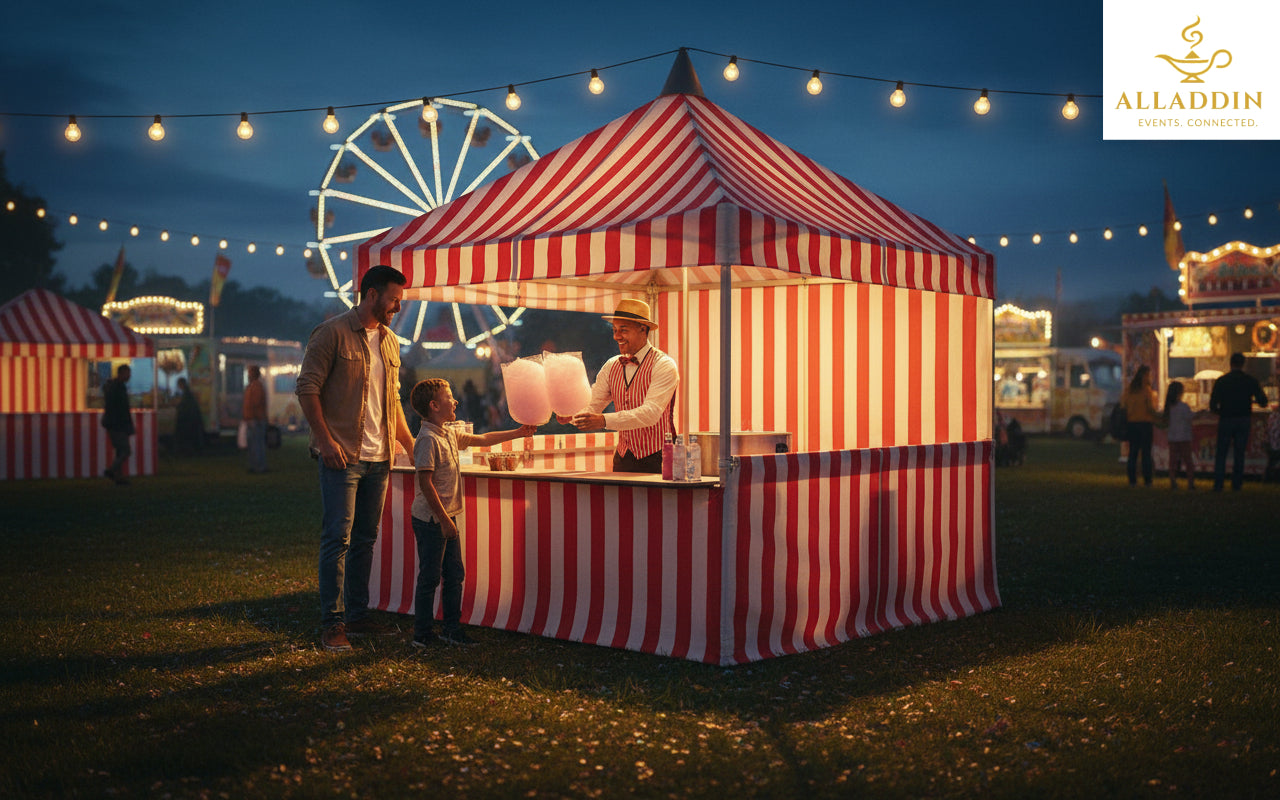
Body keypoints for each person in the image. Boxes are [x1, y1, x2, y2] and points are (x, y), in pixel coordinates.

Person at [297, 264, 416, 652]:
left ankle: (358, 615)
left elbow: (393, 399)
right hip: (342, 456)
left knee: (366, 539)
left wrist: (412, 445)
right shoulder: (330, 333)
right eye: (393, 299)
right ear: (370, 295)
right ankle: (332, 623)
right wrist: (325, 440)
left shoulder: (390, 342)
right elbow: (307, 389)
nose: (397, 307)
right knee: (338, 538)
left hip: (379, 456)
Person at [408, 378, 537, 649]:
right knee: (430, 577)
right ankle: (422, 634)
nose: (454, 401)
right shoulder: (428, 439)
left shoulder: (448, 433)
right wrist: (443, 520)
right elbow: (425, 483)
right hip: (432, 520)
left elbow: (484, 438)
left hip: (447, 517)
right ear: (434, 406)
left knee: (454, 574)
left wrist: (519, 432)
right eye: (449, 397)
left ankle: (451, 629)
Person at [561, 299, 679, 474]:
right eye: (615, 330)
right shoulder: (611, 365)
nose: (617, 336)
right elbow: (593, 404)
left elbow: (650, 414)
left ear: (643, 329)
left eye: (623, 330)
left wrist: (603, 420)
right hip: (623, 457)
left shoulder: (664, 365)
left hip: (660, 456)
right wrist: (571, 415)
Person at [1209, 352, 1268, 491]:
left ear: (1230, 364)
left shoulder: (1222, 381)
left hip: (1226, 419)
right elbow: (1263, 402)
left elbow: (1212, 405)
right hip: (1243, 419)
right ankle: (1236, 484)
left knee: (1221, 452)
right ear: (1243, 364)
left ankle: (1218, 484)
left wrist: (1221, 412)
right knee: (1239, 453)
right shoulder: (1250, 380)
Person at [1121, 364, 1158, 486]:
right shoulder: (1146, 390)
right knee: (1146, 453)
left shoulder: (1129, 390)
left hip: (1132, 424)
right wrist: (1159, 417)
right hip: (1145, 424)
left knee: (1133, 453)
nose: (1150, 377)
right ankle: (1147, 479)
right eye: (1149, 375)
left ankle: (1132, 480)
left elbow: (1123, 406)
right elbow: (1150, 408)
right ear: (1144, 376)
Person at [101, 364, 134, 486]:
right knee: (126, 450)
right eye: (128, 373)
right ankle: (111, 470)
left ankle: (119, 478)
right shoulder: (117, 387)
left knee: (120, 451)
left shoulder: (115, 386)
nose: (129, 376)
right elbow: (120, 408)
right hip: (117, 424)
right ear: (122, 373)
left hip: (114, 423)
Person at [1163, 380, 1195, 490]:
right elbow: (1190, 417)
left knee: (1173, 461)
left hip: (1172, 438)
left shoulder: (1168, 408)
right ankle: (1190, 482)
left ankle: (1173, 479)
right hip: (1184, 437)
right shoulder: (1183, 407)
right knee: (1188, 461)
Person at [242, 365, 268, 473]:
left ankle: (258, 466)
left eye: (250, 372)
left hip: (256, 420)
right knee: (254, 444)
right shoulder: (252, 386)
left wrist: (252, 416)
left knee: (256, 444)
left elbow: (256, 403)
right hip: (253, 419)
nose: (248, 375)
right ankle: (255, 465)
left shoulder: (256, 387)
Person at [174, 377, 204, 455]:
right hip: (191, 418)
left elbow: (184, 406)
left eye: (179, 384)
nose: (178, 386)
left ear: (182, 384)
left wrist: (178, 406)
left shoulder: (186, 394)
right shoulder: (187, 393)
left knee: (186, 436)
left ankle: (187, 450)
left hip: (188, 419)